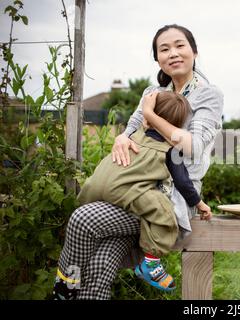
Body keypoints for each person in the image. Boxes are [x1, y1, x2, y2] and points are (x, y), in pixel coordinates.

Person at [53, 24, 224, 300]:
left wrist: (150, 114)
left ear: (194, 51)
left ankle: (64, 284)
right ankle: (73, 289)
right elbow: (131, 129)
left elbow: (192, 146)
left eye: (180, 45)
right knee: (98, 271)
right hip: (130, 186)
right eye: (164, 49)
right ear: (157, 58)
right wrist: (121, 138)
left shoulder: (208, 94)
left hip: (170, 199)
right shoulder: (152, 91)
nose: (173, 53)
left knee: (83, 218)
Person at [72, 91, 212, 295]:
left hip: (94, 188)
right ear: (178, 125)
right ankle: (151, 264)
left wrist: (147, 115)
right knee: (165, 213)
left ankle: (67, 279)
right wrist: (199, 204)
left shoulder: (132, 135)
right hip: (125, 193)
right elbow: (183, 182)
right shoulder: (171, 150)